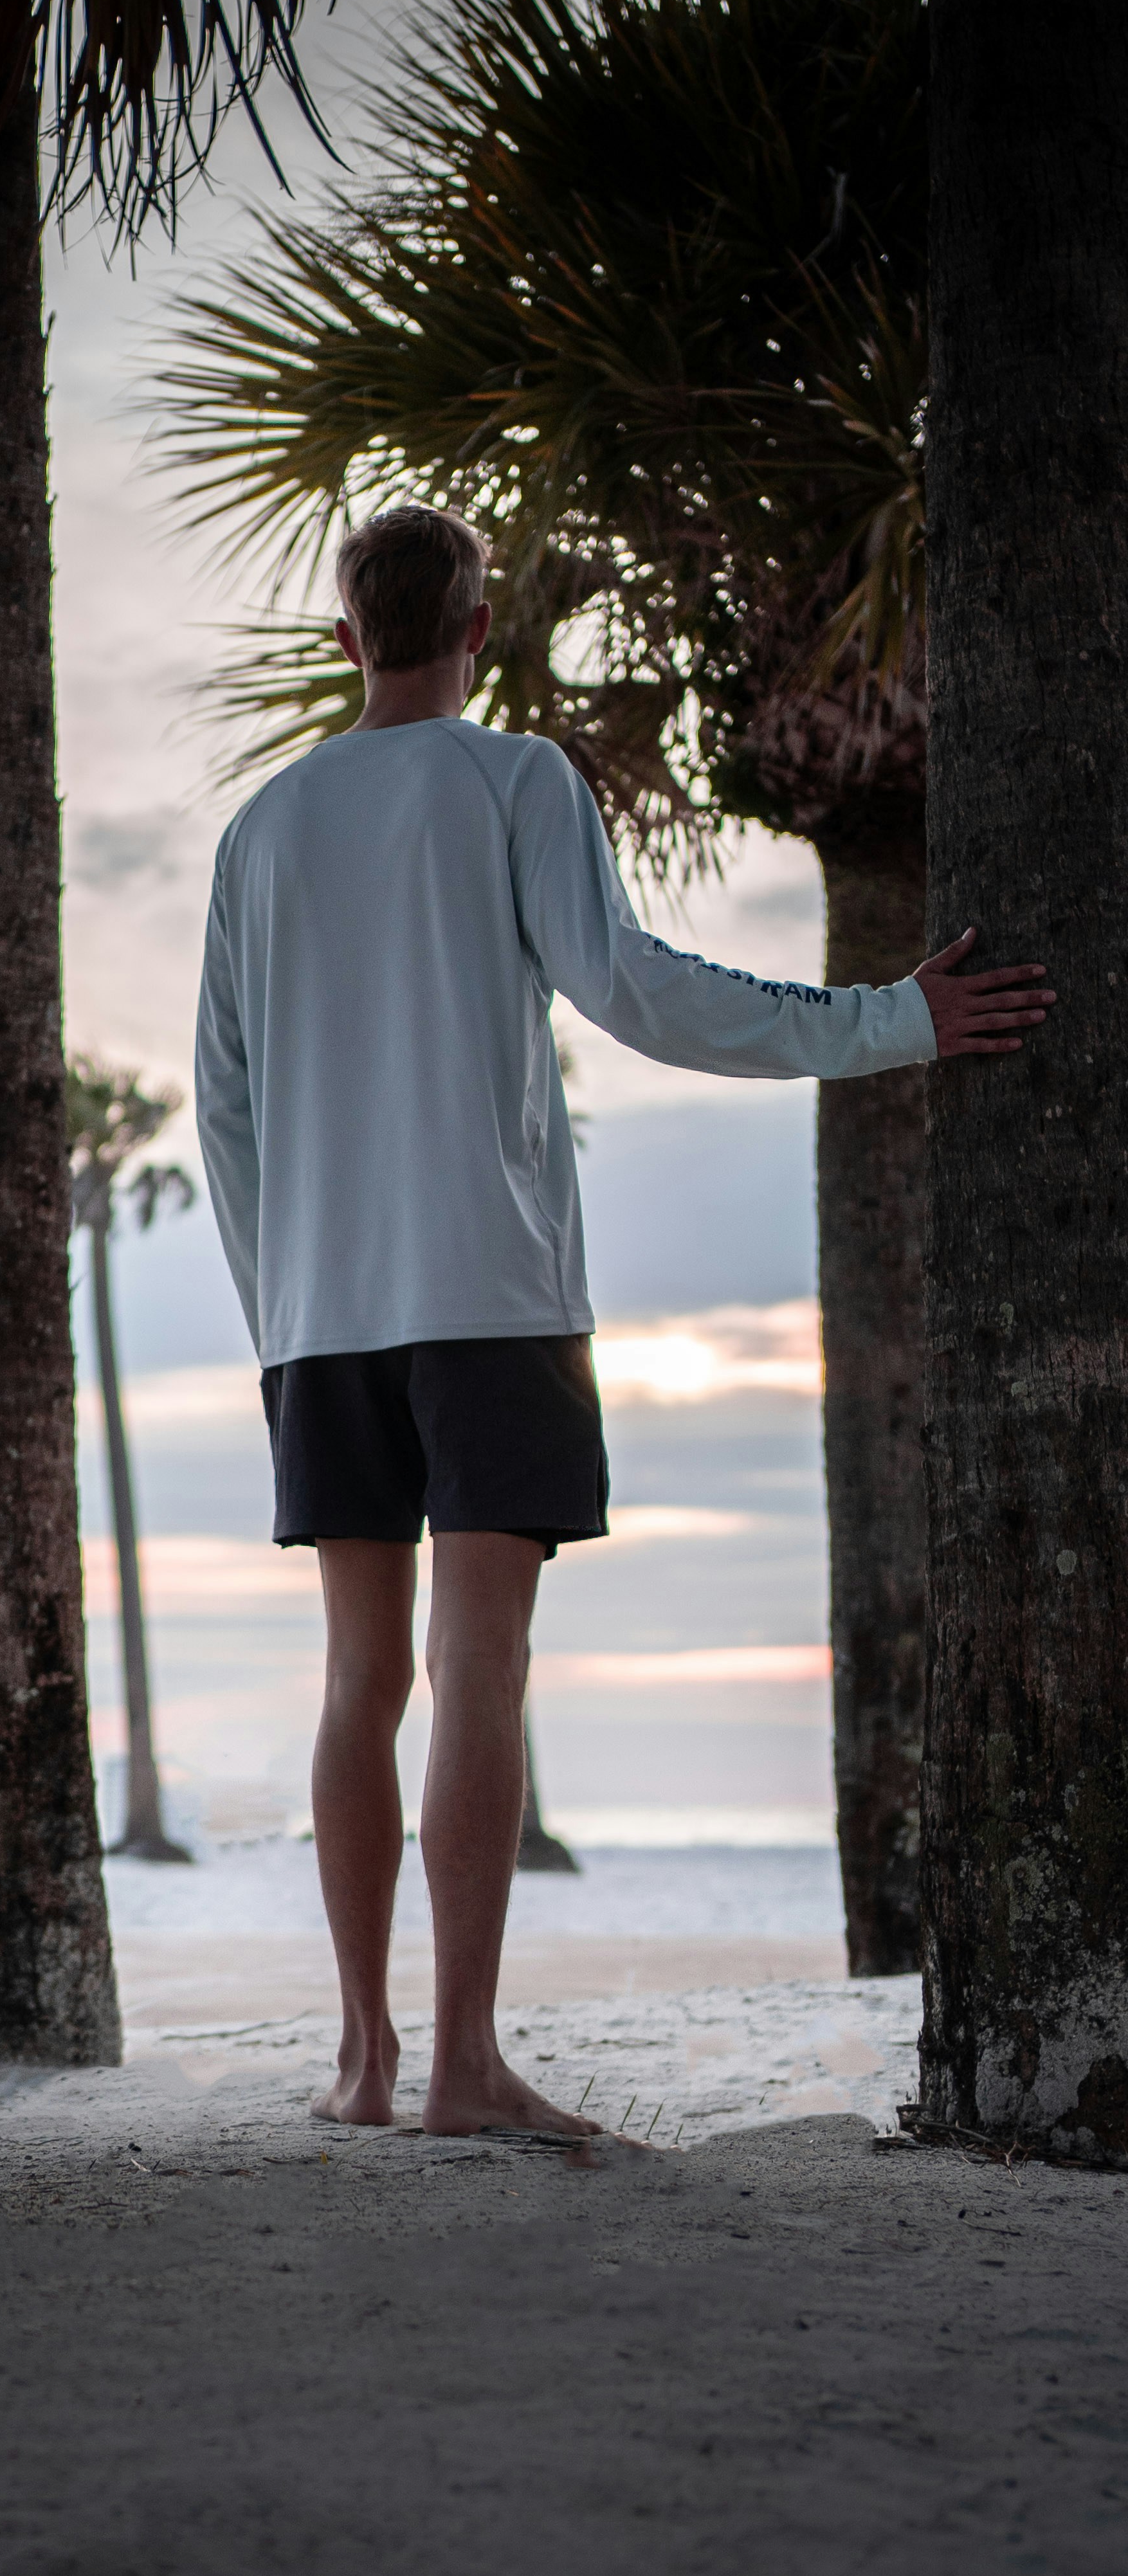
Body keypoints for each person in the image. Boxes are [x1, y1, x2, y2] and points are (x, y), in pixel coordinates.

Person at [194, 505, 1054, 2139]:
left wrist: (280, 1313)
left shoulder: (260, 830)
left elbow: (220, 1111)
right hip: (489, 1302)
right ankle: (460, 2067)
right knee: (477, 1674)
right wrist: (890, 1022)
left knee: (357, 1680)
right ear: (479, 624)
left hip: (317, 1325)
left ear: (340, 639)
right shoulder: (515, 780)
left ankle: (362, 2064)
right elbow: (632, 989)